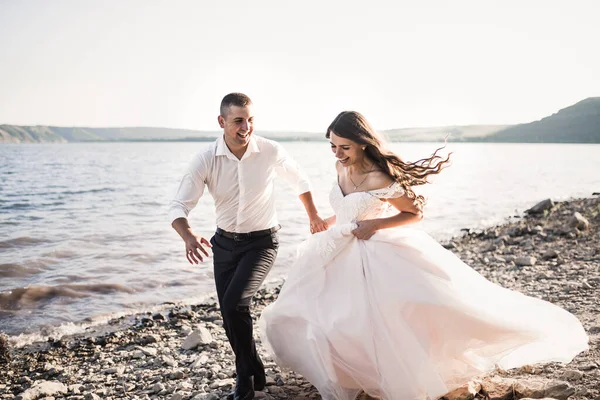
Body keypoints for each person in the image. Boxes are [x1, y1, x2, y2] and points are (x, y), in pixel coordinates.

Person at [259, 111, 589, 400]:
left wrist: (375, 223)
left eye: (344, 146)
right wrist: (326, 221)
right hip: (337, 246)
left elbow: (413, 214)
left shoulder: (380, 174)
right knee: (329, 314)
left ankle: (391, 375)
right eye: (332, 146)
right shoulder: (338, 166)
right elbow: (346, 206)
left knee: (380, 317)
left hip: (373, 250)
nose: (338, 153)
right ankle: (351, 375)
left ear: (361, 143)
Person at [169, 93, 328, 400]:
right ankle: (255, 367)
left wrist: (313, 216)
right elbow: (178, 205)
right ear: (222, 122)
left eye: (251, 120)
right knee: (230, 314)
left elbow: (300, 180)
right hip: (224, 246)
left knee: (235, 304)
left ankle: (244, 380)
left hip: (262, 242)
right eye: (238, 121)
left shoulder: (269, 150)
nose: (246, 127)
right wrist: (188, 236)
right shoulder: (205, 159)